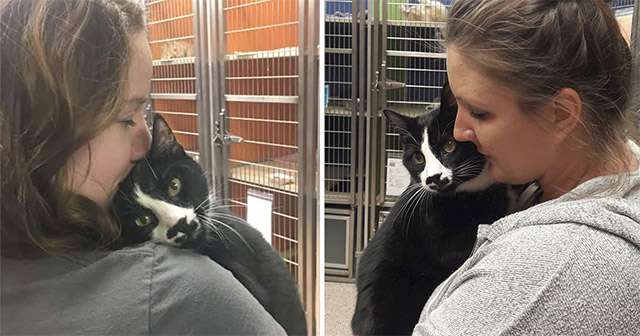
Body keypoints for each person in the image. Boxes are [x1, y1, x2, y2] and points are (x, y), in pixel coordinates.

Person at [0, 1, 286, 334]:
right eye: (126, 117)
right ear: (46, 131)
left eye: (145, 110)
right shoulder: (185, 296)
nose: (145, 139)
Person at [413, 0, 640, 335]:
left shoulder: (541, 273)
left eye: (479, 112)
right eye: (457, 105)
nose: (460, 130)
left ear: (561, 114)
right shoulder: (624, 169)